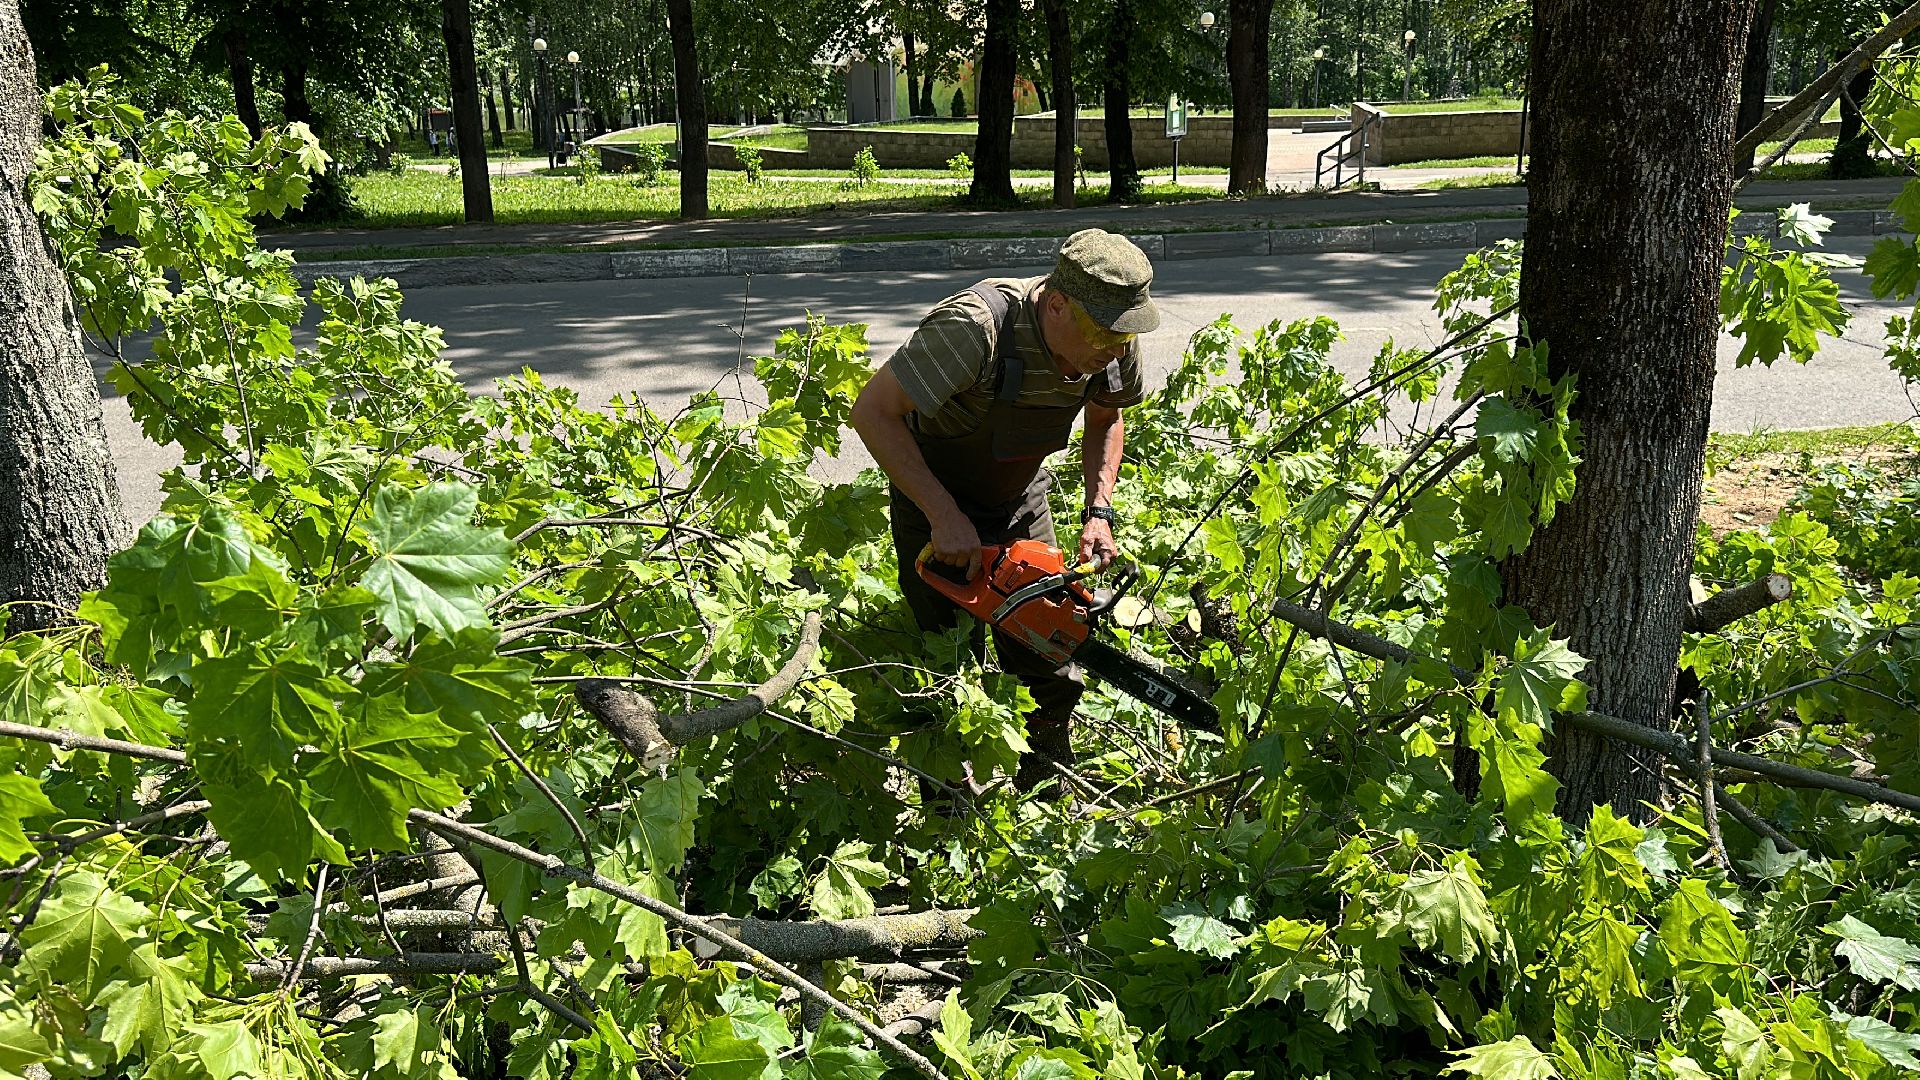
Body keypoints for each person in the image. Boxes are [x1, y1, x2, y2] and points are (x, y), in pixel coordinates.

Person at [849, 229, 1159, 792]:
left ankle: (1043, 771)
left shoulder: (1112, 343)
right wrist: (944, 515)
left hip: (1019, 497)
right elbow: (872, 412)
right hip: (934, 498)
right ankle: (948, 799)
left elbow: (1105, 418)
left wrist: (1100, 511)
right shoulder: (975, 330)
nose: (1115, 349)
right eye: (1106, 334)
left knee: (1049, 636)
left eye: (1125, 336)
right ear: (1058, 304)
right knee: (946, 660)